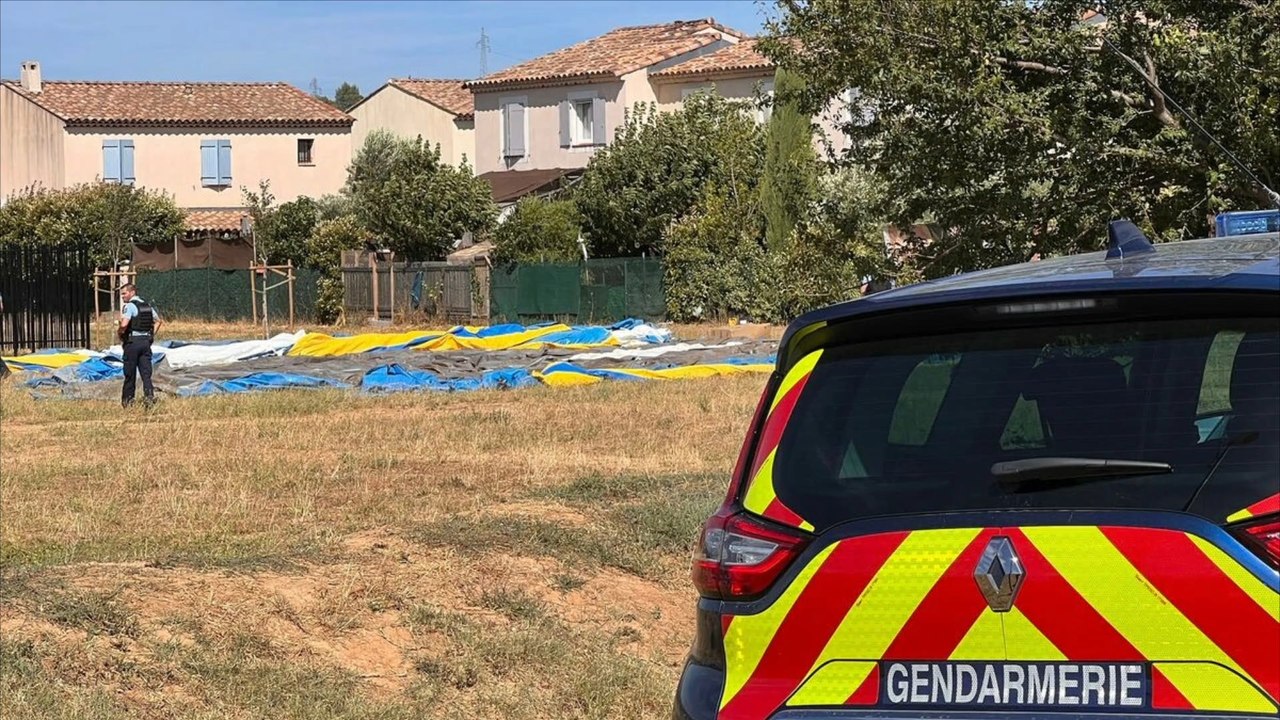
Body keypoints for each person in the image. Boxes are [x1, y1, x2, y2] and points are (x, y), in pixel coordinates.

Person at [118, 284, 163, 407]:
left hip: (132, 343)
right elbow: (158, 321)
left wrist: (120, 333)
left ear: (132, 292)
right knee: (146, 374)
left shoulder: (130, 306)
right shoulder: (147, 306)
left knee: (129, 373)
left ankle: (128, 402)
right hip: (145, 342)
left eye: (124, 293)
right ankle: (149, 398)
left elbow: (124, 324)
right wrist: (151, 336)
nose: (122, 297)